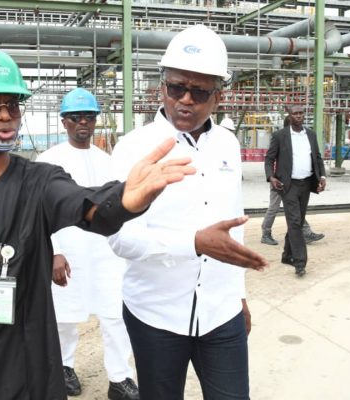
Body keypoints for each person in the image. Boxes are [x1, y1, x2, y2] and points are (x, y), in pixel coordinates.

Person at [0, 42, 195, 400]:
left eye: (12, 104)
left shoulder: (39, 182)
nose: (5, 115)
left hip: (19, 376)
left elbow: (86, 207)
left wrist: (124, 202)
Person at [109, 25, 268, 400]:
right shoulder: (134, 149)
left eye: (199, 92)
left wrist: (238, 295)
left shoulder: (228, 144)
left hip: (220, 311)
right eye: (176, 87)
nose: (185, 100)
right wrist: (194, 244)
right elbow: (119, 238)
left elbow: (234, 226)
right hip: (156, 315)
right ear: (161, 86)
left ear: (217, 96)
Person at [36, 88, 138, 400]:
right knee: (64, 317)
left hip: (106, 253)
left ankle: (120, 379)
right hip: (67, 252)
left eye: (89, 117)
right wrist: (54, 251)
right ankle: (64, 367)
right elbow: (39, 212)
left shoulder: (109, 161)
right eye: (76, 117)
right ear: (64, 121)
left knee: (115, 316)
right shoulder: (48, 162)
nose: (83, 123)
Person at [264, 105, 327, 277]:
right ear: (289, 116)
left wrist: (322, 177)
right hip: (288, 185)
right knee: (294, 222)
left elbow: (318, 158)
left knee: (297, 223)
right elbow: (269, 159)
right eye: (295, 114)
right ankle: (300, 263)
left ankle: (287, 255)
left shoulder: (311, 135)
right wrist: (271, 177)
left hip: (306, 184)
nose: (298, 116)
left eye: (301, 113)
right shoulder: (280, 136)